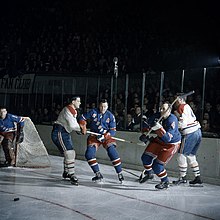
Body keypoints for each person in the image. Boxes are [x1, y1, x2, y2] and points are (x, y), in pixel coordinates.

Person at [79, 99, 124, 183]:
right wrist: (83, 126)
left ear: (107, 107)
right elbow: (82, 118)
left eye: (105, 106)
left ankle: (119, 173)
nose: (103, 108)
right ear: (99, 106)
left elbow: (113, 131)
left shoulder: (110, 116)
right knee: (89, 154)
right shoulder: (93, 112)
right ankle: (97, 174)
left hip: (106, 136)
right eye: (101, 106)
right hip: (94, 135)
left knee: (112, 151)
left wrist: (106, 135)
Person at [139, 102, 181, 189]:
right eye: (161, 108)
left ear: (169, 111)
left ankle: (165, 182)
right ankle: (149, 173)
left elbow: (167, 139)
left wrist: (159, 128)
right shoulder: (157, 115)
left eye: (164, 109)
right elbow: (147, 125)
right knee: (145, 158)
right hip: (160, 140)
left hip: (171, 144)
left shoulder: (172, 120)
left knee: (157, 165)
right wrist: (145, 135)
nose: (161, 111)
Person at [172, 94, 203, 186]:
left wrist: (176, 123)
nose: (175, 102)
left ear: (180, 100)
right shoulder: (187, 106)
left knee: (181, 155)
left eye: (176, 100)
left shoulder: (181, 107)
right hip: (198, 131)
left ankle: (182, 177)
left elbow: (183, 123)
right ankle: (197, 177)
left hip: (190, 133)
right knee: (191, 155)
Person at [51, 96, 82, 185]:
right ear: (73, 101)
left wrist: (80, 129)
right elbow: (73, 125)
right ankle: (71, 174)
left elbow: (73, 125)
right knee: (69, 152)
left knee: (69, 152)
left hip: (64, 132)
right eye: (78, 101)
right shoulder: (68, 109)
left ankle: (66, 172)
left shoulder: (73, 111)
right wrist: (80, 129)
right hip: (60, 132)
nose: (80, 103)